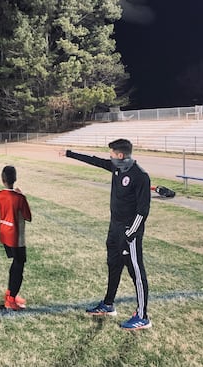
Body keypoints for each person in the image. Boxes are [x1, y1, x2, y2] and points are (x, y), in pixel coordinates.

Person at [64, 139, 151, 330]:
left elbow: (143, 211)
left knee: (136, 272)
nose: (109, 156)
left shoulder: (141, 176)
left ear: (120, 155)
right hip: (114, 229)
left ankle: (143, 316)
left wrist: (131, 233)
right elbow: (95, 161)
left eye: (112, 153)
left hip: (130, 233)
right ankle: (108, 304)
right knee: (113, 265)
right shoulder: (116, 167)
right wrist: (69, 153)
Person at [0, 166, 32, 311]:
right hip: (16, 236)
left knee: (15, 264)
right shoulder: (19, 198)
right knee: (19, 266)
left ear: (2, 179)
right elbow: (28, 216)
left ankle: (10, 294)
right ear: (15, 179)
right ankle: (11, 300)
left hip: (4, 232)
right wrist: (22, 195)